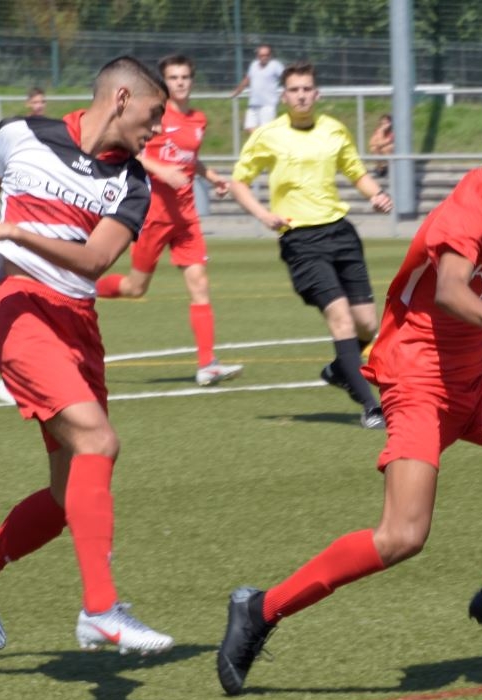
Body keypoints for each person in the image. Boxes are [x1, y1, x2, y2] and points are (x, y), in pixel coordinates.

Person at [216, 101, 482, 696]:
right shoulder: (471, 207)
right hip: (419, 381)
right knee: (401, 537)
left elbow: (468, 281)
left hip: (472, 378)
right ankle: (260, 609)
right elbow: (448, 288)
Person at [0, 56, 174, 656]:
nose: (158, 128)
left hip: (79, 327)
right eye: (153, 113)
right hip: (22, 313)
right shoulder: (19, 135)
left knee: (67, 500)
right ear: (121, 98)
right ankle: (100, 609)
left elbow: (94, 261)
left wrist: (12, 231)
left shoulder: (132, 184)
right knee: (99, 442)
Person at [228, 60, 393, 430]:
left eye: (307, 89)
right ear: (284, 96)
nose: (301, 95)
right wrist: (263, 215)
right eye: (294, 90)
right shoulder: (269, 135)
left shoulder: (334, 129)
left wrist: (376, 194)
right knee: (340, 317)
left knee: (367, 324)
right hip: (301, 239)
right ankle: (371, 407)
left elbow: (356, 172)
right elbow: (239, 182)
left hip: (341, 234)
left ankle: (339, 370)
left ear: (316, 94)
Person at [95, 54, 242, 387]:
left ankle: (207, 364)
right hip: (154, 215)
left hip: (186, 217)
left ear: (192, 80)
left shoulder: (198, 119)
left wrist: (212, 176)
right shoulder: (153, 115)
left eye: (185, 77)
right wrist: (161, 171)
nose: (180, 83)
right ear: (165, 82)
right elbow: (130, 151)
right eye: (174, 78)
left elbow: (191, 158)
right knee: (135, 288)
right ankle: (85, 289)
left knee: (200, 284)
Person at [230, 44, 284, 135]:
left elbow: (286, 78)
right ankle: (260, 141)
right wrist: (237, 91)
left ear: (270, 55)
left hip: (268, 105)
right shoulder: (254, 65)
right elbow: (247, 79)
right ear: (258, 55)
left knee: (266, 131)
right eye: (261, 55)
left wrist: (286, 92)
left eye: (266, 55)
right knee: (249, 127)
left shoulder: (275, 65)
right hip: (253, 105)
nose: (264, 57)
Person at [368, 113, 395, 178]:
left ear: (390, 123)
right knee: (373, 148)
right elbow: (371, 143)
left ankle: (391, 168)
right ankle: (380, 169)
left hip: (392, 150)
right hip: (381, 147)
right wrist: (380, 132)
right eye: (382, 124)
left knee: (386, 148)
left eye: (386, 123)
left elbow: (382, 143)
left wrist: (381, 131)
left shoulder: (392, 131)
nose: (384, 125)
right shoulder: (379, 130)